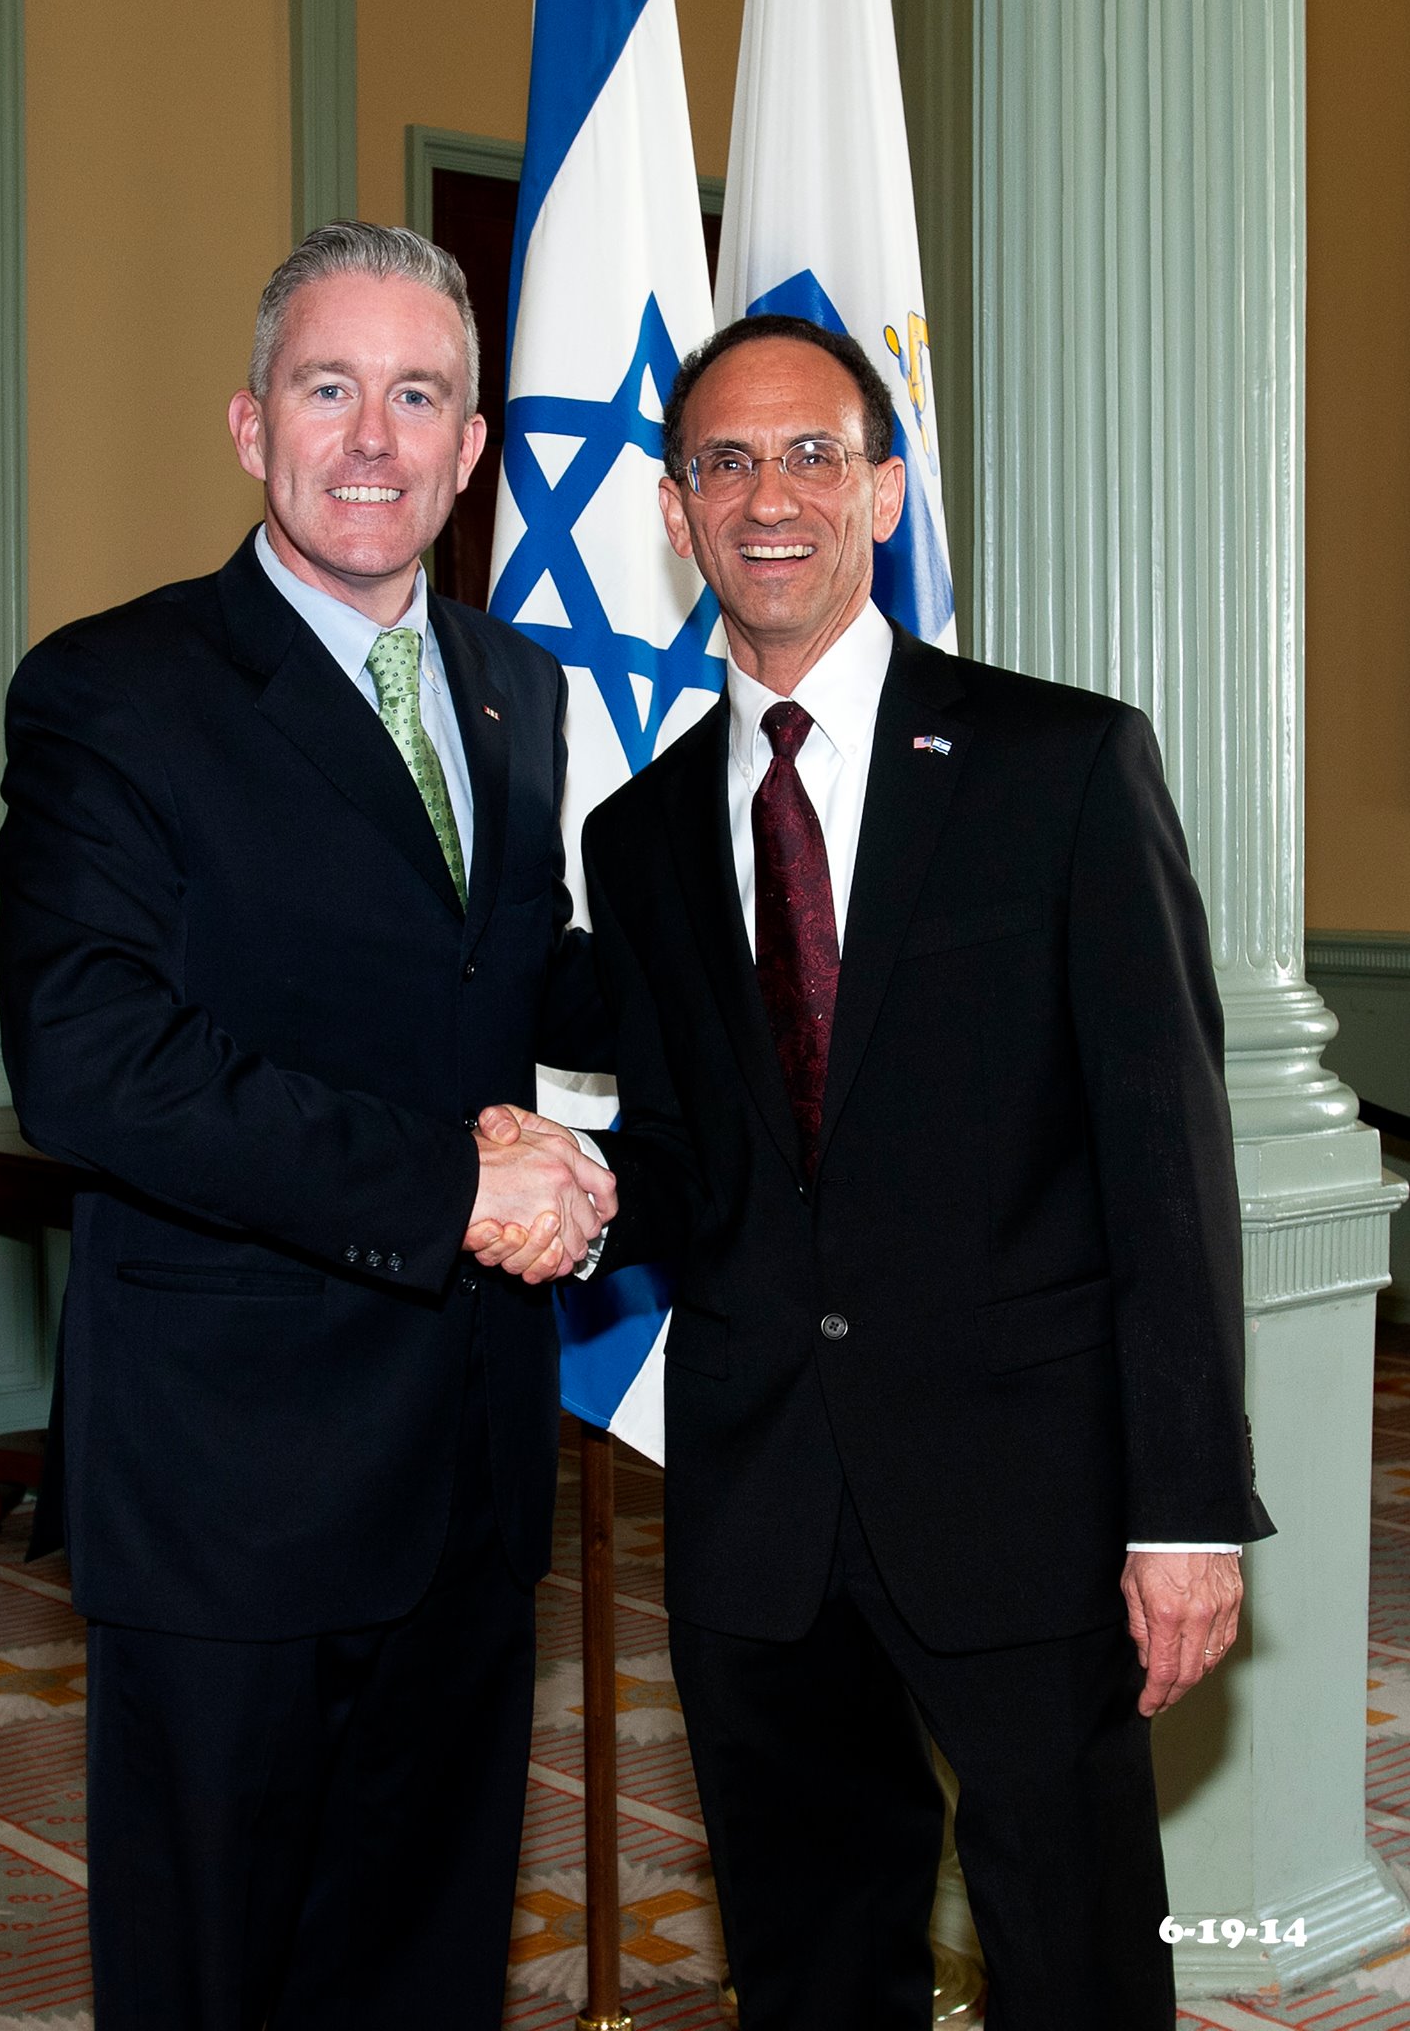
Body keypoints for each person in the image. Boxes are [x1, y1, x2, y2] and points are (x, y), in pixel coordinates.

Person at [474, 313, 1273, 2030]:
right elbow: (693, 1155)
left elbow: (1164, 1159)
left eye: (811, 456)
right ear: (676, 513)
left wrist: (1185, 1508)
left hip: (1025, 1504)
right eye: (725, 464)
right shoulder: (637, 835)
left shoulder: (1061, 764)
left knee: (1075, 1961)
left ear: (885, 494)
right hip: (758, 1510)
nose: (769, 498)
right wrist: (575, 1186)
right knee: (808, 1966)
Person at [0, 221, 615, 2031]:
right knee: (215, 1979)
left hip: (468, 1467)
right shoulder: (116, 687)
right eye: (327, 387)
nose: (370, 438)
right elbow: (92, 1057)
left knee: (422, 1968)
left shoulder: (514, 689)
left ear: (471, 447)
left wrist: (777, 983)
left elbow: (516, 983)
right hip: (230, 1482)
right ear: (251, 424)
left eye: (416, 396)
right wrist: (451, 1183)